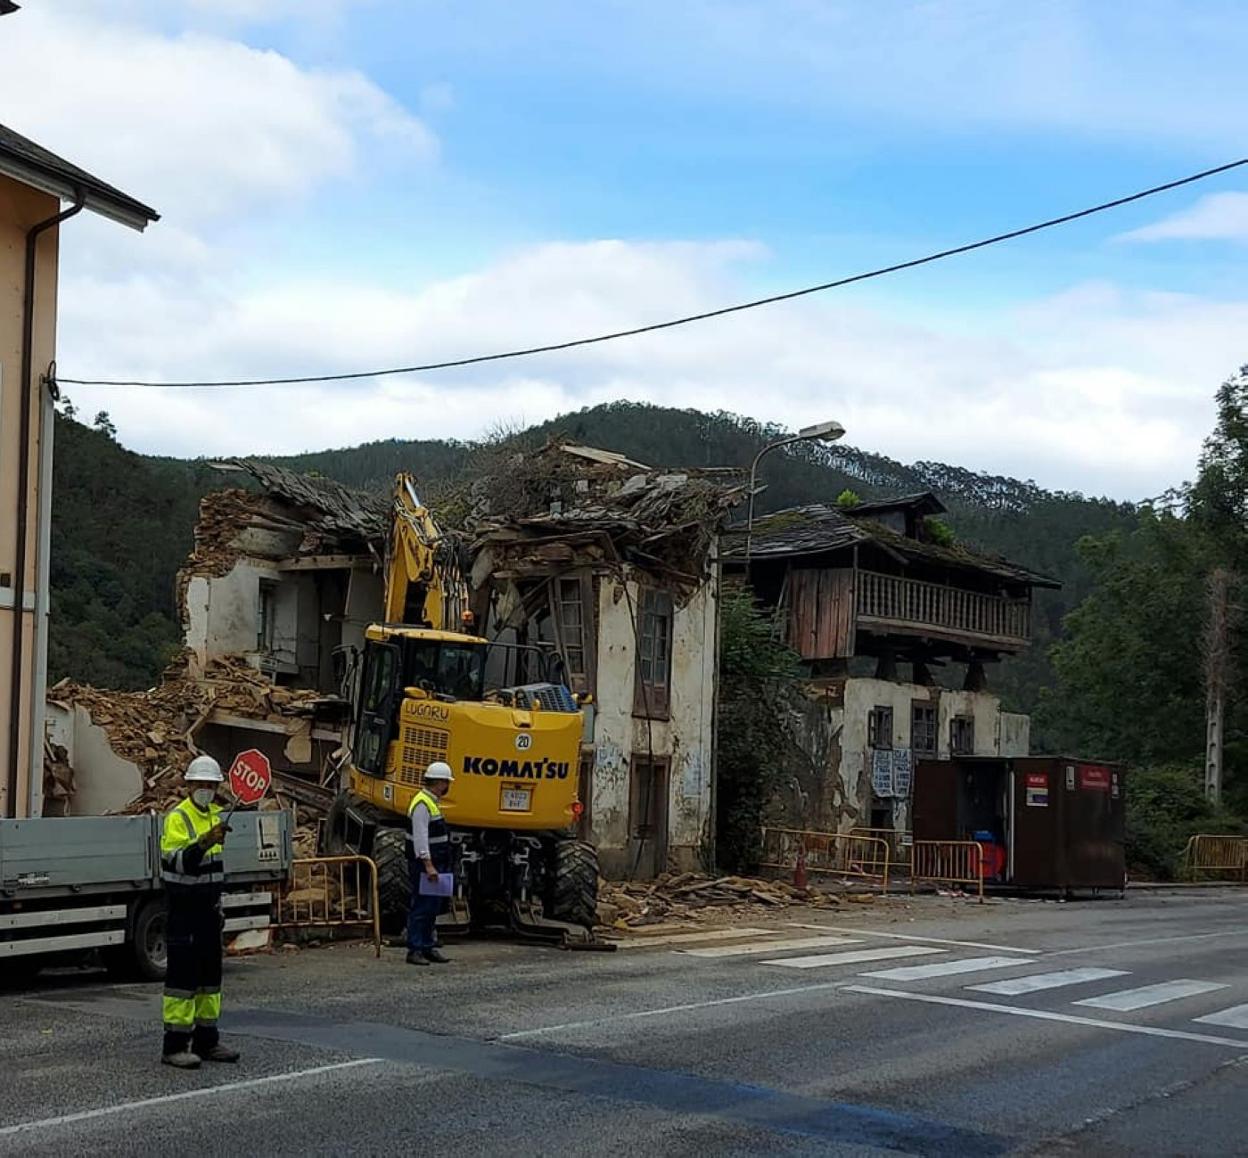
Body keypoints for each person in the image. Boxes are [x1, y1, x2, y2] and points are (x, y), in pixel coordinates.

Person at [158, 755, 240, 1069]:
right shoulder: (179, 818)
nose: (206, 789)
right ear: (189, 785)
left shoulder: (215, 816)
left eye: (211, 784)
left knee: (210, 981)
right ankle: (175, 1045)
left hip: (208, 911)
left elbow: (214, 872)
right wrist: (204, 842)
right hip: (184, 911)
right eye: (200, 784)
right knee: (182, 982)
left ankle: (208, 1041)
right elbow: (176, 864)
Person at [406, 761, 454, 966]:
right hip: (426, 865)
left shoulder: (430, 801)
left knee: (432, 907)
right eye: (447, 782)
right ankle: (415, 949)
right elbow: (420, 837)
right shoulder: (422, 804)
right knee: (422, 906)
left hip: (437, 863)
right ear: (441, 783)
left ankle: (427, 946)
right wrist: (428, 864)